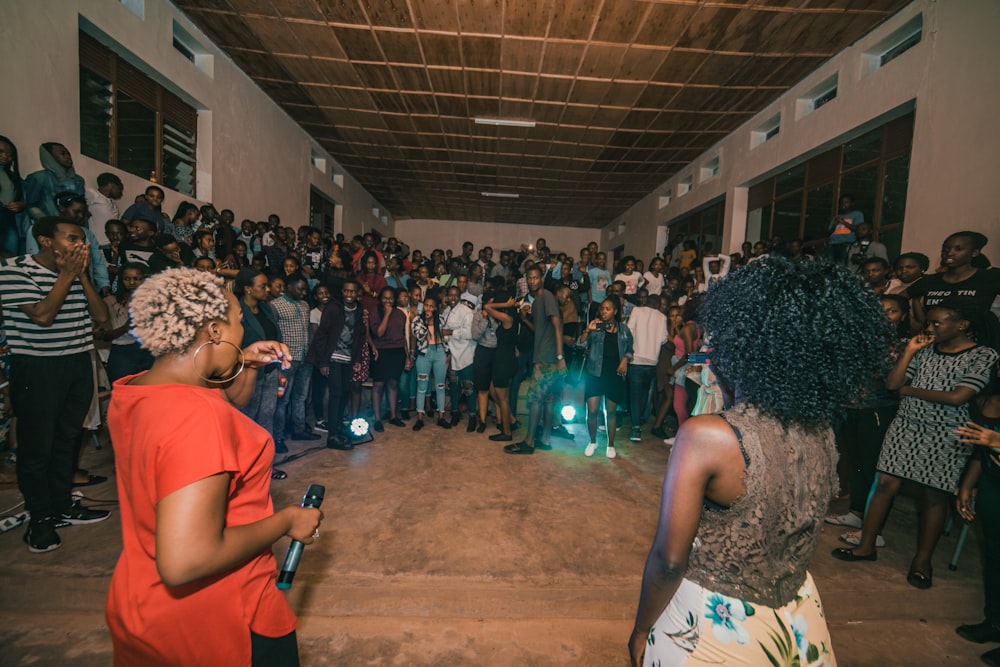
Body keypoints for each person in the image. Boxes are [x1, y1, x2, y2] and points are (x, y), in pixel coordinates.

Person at [629, 257, 892, 666]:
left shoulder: (709, 436)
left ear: (745, 348)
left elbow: (669, 560)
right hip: (801, 621)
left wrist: (642, 628)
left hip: (721, 630)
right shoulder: (821, 428)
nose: (713, 354)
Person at [105, 267, 321, 665]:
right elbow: (187, 559)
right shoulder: (197, 416)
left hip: (142, 603)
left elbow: (221, 408)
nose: (244, 332)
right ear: (214, 331)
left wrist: (248, 365)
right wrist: (288, 521)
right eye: (239, 322)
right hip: (219, 620)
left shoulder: (137, 389)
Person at [832, 301, 999, 589]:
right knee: (883, 485)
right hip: (906, 425)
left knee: (933, 496)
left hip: (948, 432)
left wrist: (910, 391)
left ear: (962, 325)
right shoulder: (924, 350)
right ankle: (866, 546)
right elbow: (893, 383)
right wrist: (909, 352)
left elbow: (958, 397)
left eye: (937, 323)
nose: (929, 329)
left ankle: (922, 562)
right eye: (928, 323)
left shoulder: (983, 355)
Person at [0, 216, 112, 553]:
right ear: (46, 241)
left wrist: (81, 276)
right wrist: (66, 276)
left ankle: (63, 504)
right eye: (72, 239)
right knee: (37, 447)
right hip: (37, 367)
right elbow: (43, 316)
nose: (81, 246)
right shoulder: (13, 270)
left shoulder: (76, 273)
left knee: (68, 438)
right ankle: (40, 518)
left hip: (78, 362)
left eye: (82, 239)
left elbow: (102, 317)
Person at [956, 390, 1000, 667]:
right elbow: (982, 445)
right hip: (993, 482)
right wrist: (968, 484)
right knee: (994, 558)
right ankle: (994, 623)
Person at [504, 264, 566, 455]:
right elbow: (540, 330)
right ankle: (545, 440)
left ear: (542, 279)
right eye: (529, 278)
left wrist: (560, 357)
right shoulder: (539, 301)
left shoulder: (546, 297)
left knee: (535, 399)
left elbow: (557, 326)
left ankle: (529, 442)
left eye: (536, 278)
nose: (532, 281)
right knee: (547, 400)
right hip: (544, 355)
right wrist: (524, 319)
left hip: (546, 358)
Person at [234, 269, 287, 479]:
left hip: (270, 371)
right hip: (248, 373)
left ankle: (266, 467)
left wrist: (282, 366)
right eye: (262, 286)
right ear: (248, 289)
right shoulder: (236, 310)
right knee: (247, 420)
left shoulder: (267, 309)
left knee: (267, 418)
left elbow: (275, 336)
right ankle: (245, 469)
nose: (267, 289)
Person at [306, 279, 368, 450]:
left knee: (345, 392)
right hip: (332, 357)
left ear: (357, 294)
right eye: (346, 291)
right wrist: (323, 361)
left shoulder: (359, 311)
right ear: (342, 292)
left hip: (348, 358)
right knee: (336, 393)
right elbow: (322, 335)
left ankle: (339, 428)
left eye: (352, 291)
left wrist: (356, 360)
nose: (349, 294)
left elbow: (359, 337)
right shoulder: (333, 308)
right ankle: (332, 436)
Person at [906, 231, 1000, 328]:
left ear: (974, 253)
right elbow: (898, 300)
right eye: (946, 249)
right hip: (936, 340)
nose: (950, 253)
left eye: (958, 249)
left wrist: (992, 327)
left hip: (976, 340)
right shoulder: (930, 280)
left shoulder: (990, 276)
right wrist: (916, 324)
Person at [271, 273, 320, 451]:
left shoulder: (305, 305)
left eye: (305, 289)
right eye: (299, 288)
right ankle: (278, 437)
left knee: (300, 397)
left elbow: (308, 329)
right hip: (286, 360)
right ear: (288, 287)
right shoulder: (275, 305)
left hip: (305, 358)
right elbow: (273, 331)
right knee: (282, 400)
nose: (303, 292)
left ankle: (299, 430)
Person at [580, 298, 633, 459]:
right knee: (593, 410)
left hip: (614, 374)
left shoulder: (623, 329)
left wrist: (625, 359)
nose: (603, 311)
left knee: (610, 412)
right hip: (594, 373)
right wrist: (588, 330)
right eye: (602, 308)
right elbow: (580, 345)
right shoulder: (595, 327)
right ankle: (593, 441)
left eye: (608, 309)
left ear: (615, 311)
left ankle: (610, 445)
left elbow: (630, 349)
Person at [99, 263, 153, 383]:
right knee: (123, 390)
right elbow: (105, 335)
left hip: (147, 351)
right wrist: (126, 327)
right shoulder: (111, 301)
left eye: (136, 279)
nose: (132, 283)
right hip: (122, 352)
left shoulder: (153, 301)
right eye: (127, 279)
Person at [369, 286, 408, 431]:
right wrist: (387, 314)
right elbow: (379, 333)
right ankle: (378, 419)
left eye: (390, 298)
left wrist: (408, 355)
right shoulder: (375, 312)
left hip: (397, 352)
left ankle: (393, 416)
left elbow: (403, 337)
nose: (388, 300)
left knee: (393, 384)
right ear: (380, 299)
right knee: (378, 385)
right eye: (385, 298)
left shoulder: (401, 314)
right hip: (381, 352)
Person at [411, 294, 452, 431]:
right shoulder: (417, 319)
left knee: (440, 386)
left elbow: (446, 336)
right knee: (422, 386)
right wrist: (427, 322)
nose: (428, 308)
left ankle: (441, 416)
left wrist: (448, 352)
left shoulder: (441, 319)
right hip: (424, 354)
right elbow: (420, 336)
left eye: (431, 306)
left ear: (435, 308)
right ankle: (420, 418)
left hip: (440, 352)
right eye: (426, 305)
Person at [0, 135, 28, 255]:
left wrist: (21, 204)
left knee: (12, 248)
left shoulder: (14, 177)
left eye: (9, 154)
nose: (5, 156)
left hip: (8, 217)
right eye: (1, 152)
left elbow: (26, 198)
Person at [84, 173, 123, 247]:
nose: (120, 192)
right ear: (111, 185)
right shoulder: (92, 195)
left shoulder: (110, 202)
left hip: (110, 244)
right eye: (119, 188)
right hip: (97, 244)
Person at [827, 194, 864, 264]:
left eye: (846, 202)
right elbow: (829, 232)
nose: (843, 204)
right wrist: (835, 224)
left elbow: (858, 229)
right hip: (833, 244)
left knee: (843, 265)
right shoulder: (837, 217)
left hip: (846, 244)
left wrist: (843, 222)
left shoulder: (857, 214)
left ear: (852, 203)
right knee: (832, 265)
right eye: (841, 203)